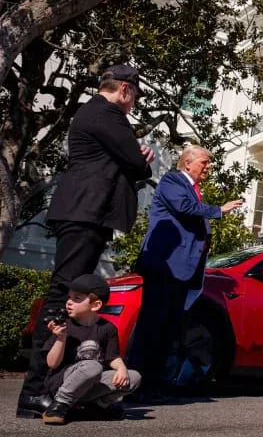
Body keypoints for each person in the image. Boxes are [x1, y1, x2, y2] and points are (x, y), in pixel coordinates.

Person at [17, 64, 156, 418]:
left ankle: (53, 387)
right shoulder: (105, 113)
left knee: (71, 296)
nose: (133, 103)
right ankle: (34, 393)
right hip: (84, 212)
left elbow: (125, 160)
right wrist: (138, 160)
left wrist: (133, 158)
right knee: (63, 295)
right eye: (134, 96)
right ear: (124, 89)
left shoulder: (95, 114)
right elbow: (137, 165)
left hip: (85, 212)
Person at [127, 145, 242, 401]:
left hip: (184, 273)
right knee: (152, 326)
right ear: (188, 163)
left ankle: (155, 383)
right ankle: (136, 384)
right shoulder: (173, 181)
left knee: (168, 328)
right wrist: (218, 210)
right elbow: (184, 208)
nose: (208, 167)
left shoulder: (192, 190)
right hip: (165, 267)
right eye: (205, 162)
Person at [41, 274, 141, 425]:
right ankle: (58, 406)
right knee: (93, 366)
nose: (69, 302)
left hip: (91, 384)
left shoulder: (107, 328)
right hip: (62, 384)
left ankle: (95, 407)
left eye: (77, 298)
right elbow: (52, 364)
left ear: (95, 305)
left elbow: (112, 357)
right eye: (69, 297)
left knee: (133, 377)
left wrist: (121, 369)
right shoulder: (65, 325)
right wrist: (61, 338)